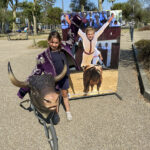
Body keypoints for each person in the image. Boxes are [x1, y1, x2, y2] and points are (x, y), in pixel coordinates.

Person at [17, 15, 82, 123]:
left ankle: (68, 111)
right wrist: (23, 89)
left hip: (64, 77)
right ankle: (55, 114)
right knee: (55, 98)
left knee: (65, 95)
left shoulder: (65, 47)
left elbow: (72, 36)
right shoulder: (43, 57)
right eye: (52, 42)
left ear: (60, 42)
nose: (54, 45)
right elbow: (35, 73)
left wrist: (76, 21)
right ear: (48, 41)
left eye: (56, 42)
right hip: (53, 81)